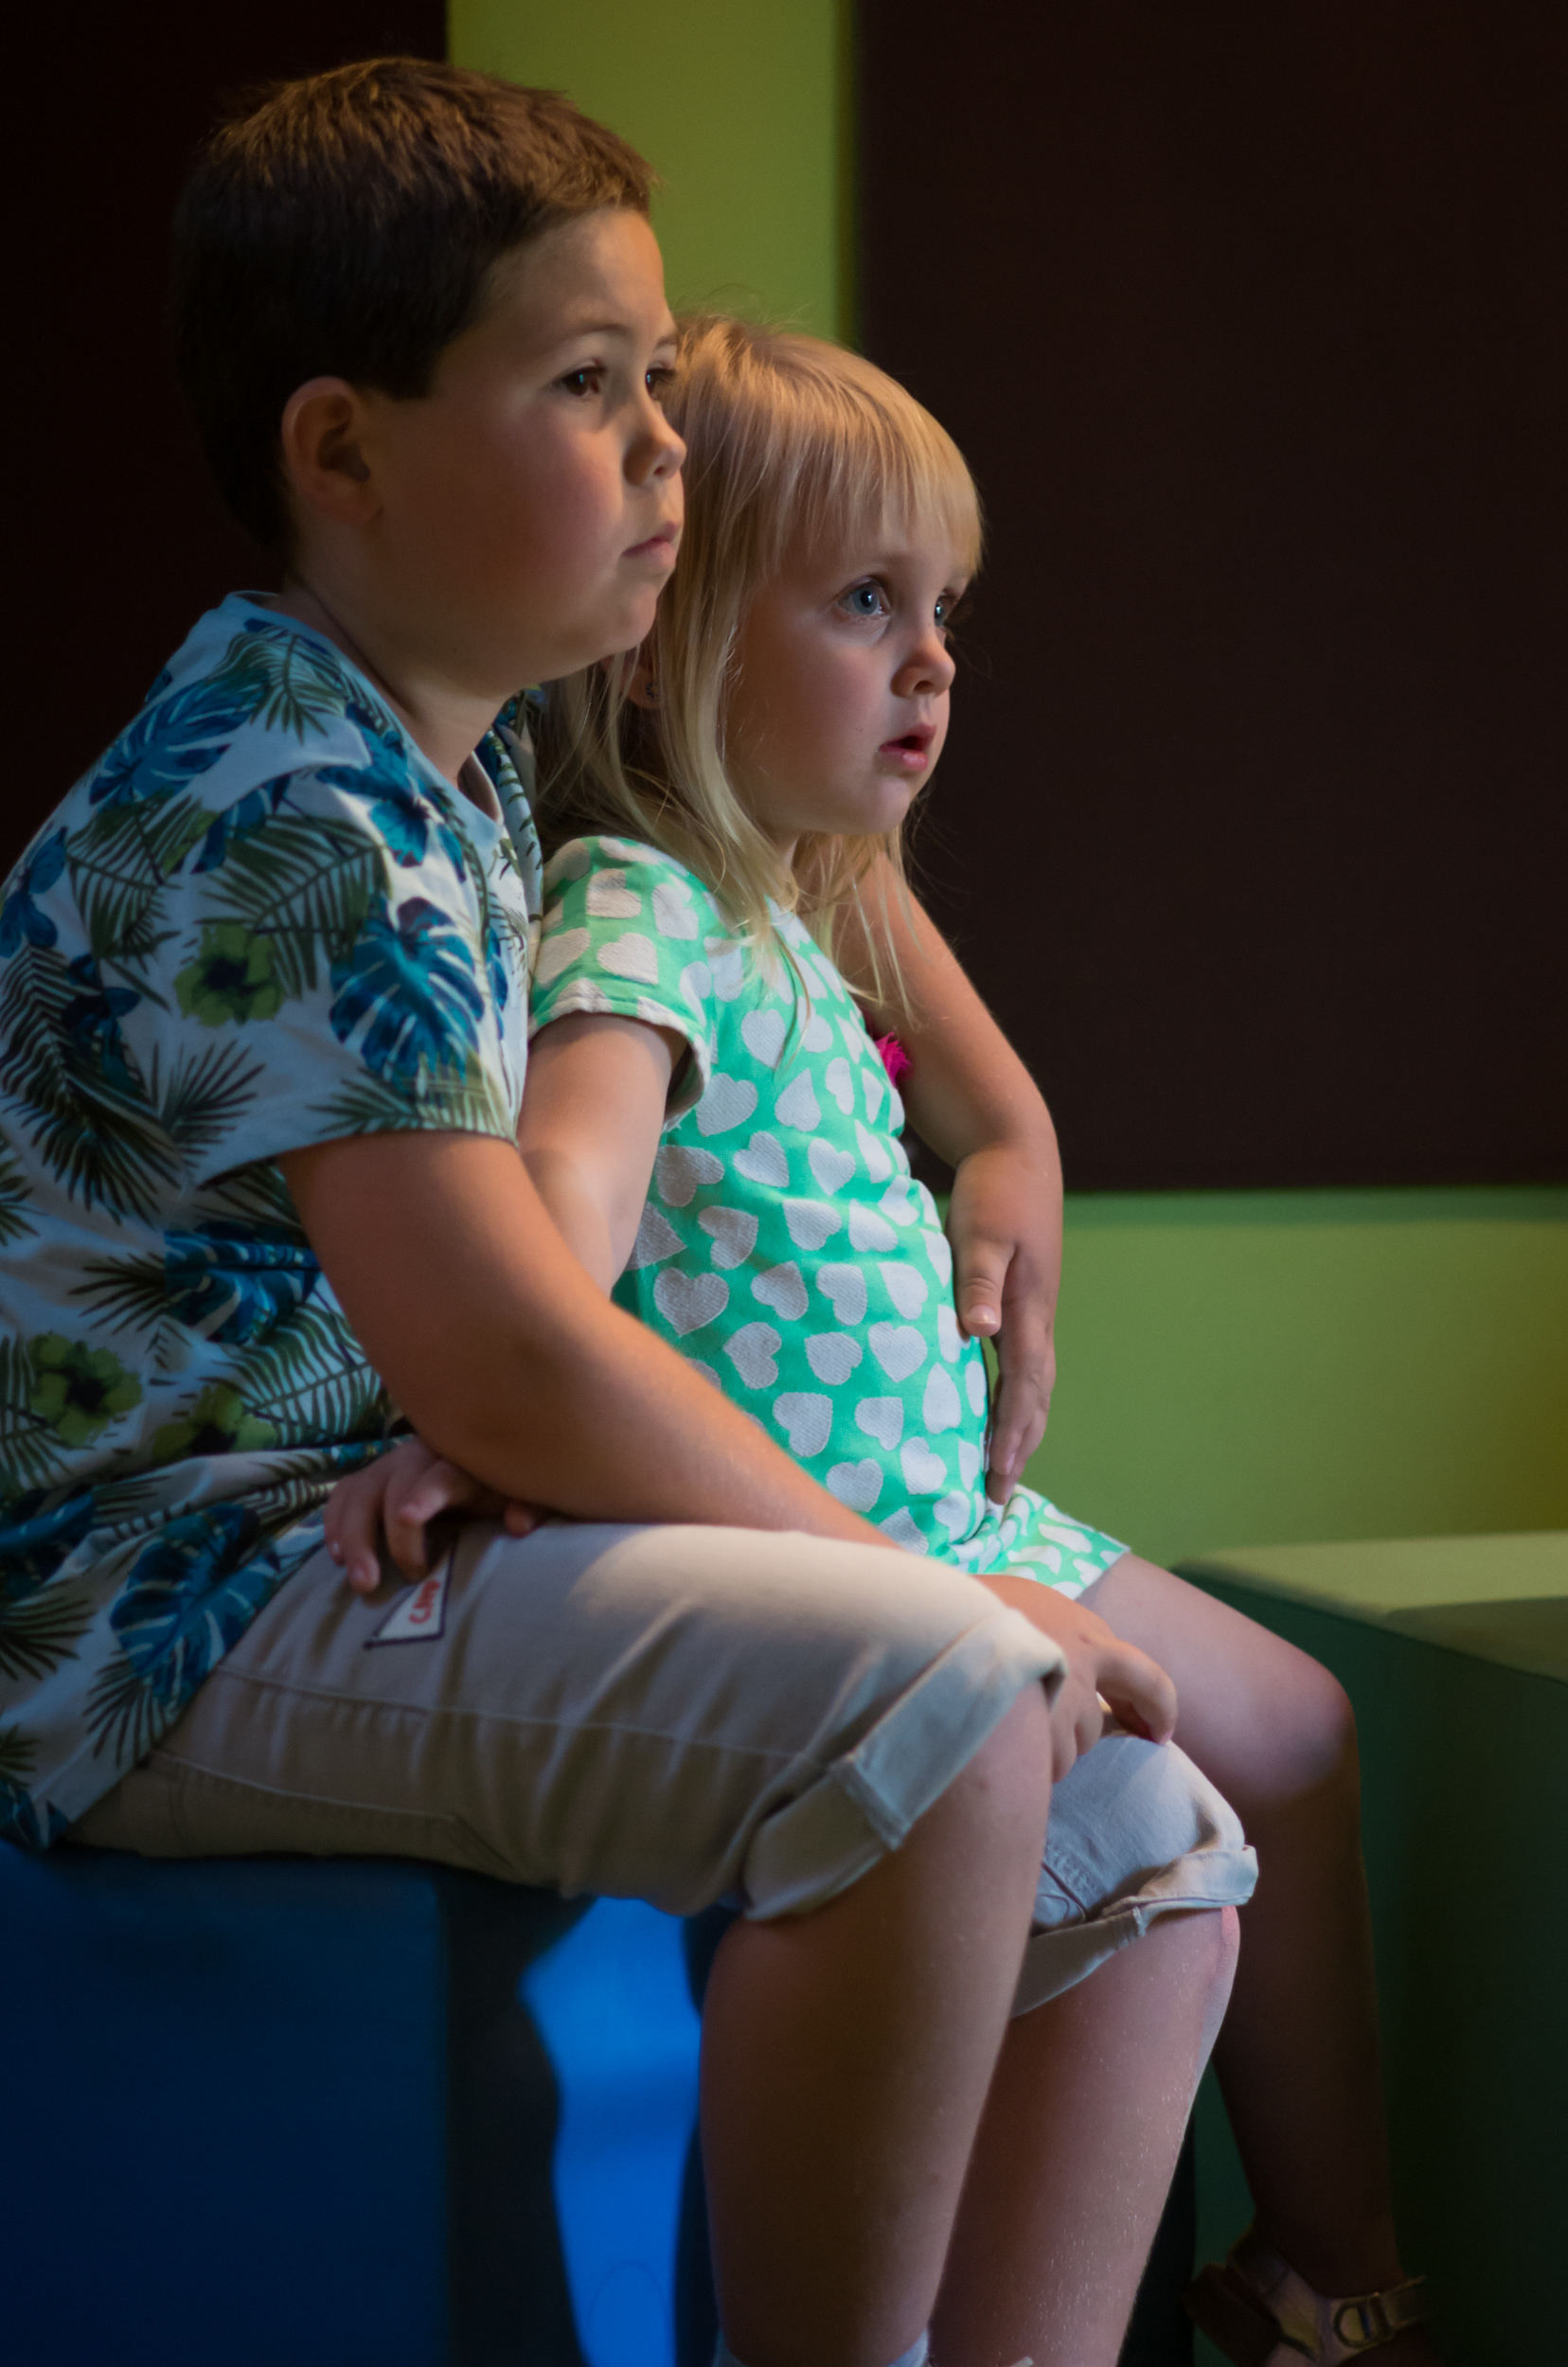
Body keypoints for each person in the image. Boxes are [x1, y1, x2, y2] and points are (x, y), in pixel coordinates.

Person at [0, 59, 1238, 2367]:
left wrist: (1002, 1138)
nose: (667, 446)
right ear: (344, 451)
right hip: (155, 1601)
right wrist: (917, 1572)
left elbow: (509, 1319)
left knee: (1156, 1835)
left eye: (661, 380)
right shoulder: (297, 805)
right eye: (589, 386)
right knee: (943, 1690)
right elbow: (505, 1348)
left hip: (337, 1528)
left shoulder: (444, 761)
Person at [337, 316, 1441, 2366]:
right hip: (842, 1551)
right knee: (1187, 1802)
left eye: (946, 611)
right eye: (864, 603)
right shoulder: (638, 902)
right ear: (666, 647)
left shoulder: (810, 865)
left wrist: (1010, 1169)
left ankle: (1326, 2270)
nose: (931, 661)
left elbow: (999, 1098)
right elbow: (570, 1177)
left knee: (1295, 1731)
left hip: (948, 1512)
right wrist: (487, 1389)